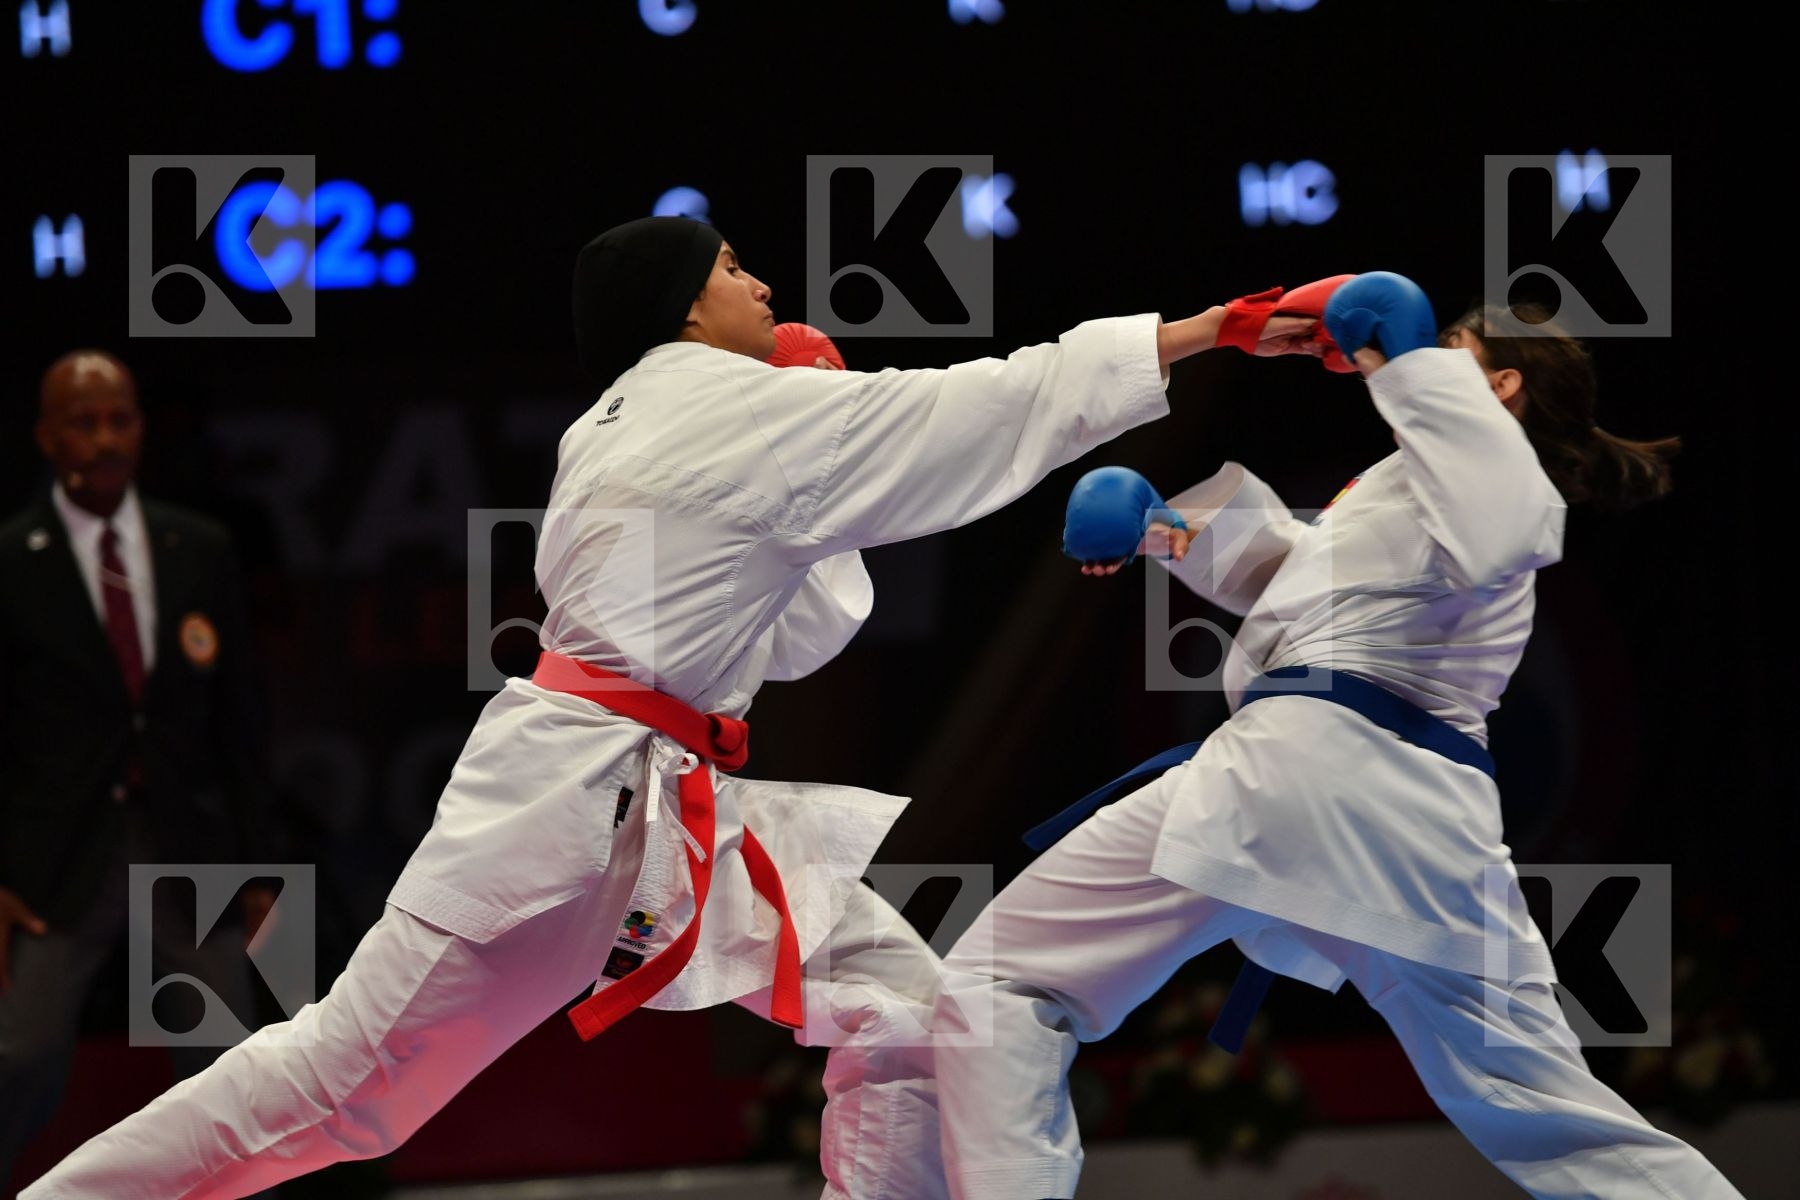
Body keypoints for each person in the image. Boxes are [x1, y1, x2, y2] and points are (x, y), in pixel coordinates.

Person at [21, 217, 1319, 1199]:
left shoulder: (619, 426)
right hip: (572, 801)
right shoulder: (717, 410)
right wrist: (1208, 330)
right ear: (688, 311)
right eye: (738, 269)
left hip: (661, 795)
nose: (764, 286)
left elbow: (791, 628)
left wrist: (810, 431)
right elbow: (983, 406)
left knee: (897, 1003)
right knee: (348, 1089)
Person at [930, 273, 1745, 1199]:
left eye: (1445, 354)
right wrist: (1166, 532)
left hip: (1293, 776)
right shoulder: (1414, 487)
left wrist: (1399, 358)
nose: (1417, 365)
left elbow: (1504, 517)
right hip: (1418, 826)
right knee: (1545, 1105)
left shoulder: (1495, 477)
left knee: (1001, 985)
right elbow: (1307, 585)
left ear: (1501, 385)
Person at [0, 351, 279, 1192]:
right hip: (54, 861)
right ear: (48, 438)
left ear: (141, 429)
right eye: (82, 423)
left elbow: (242, 717)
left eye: (119, 419)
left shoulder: (198, 545)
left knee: (229, 1065)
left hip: (189, 842)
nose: (104, 438)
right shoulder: (11, 557)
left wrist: (261, 868)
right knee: (20, 1056)